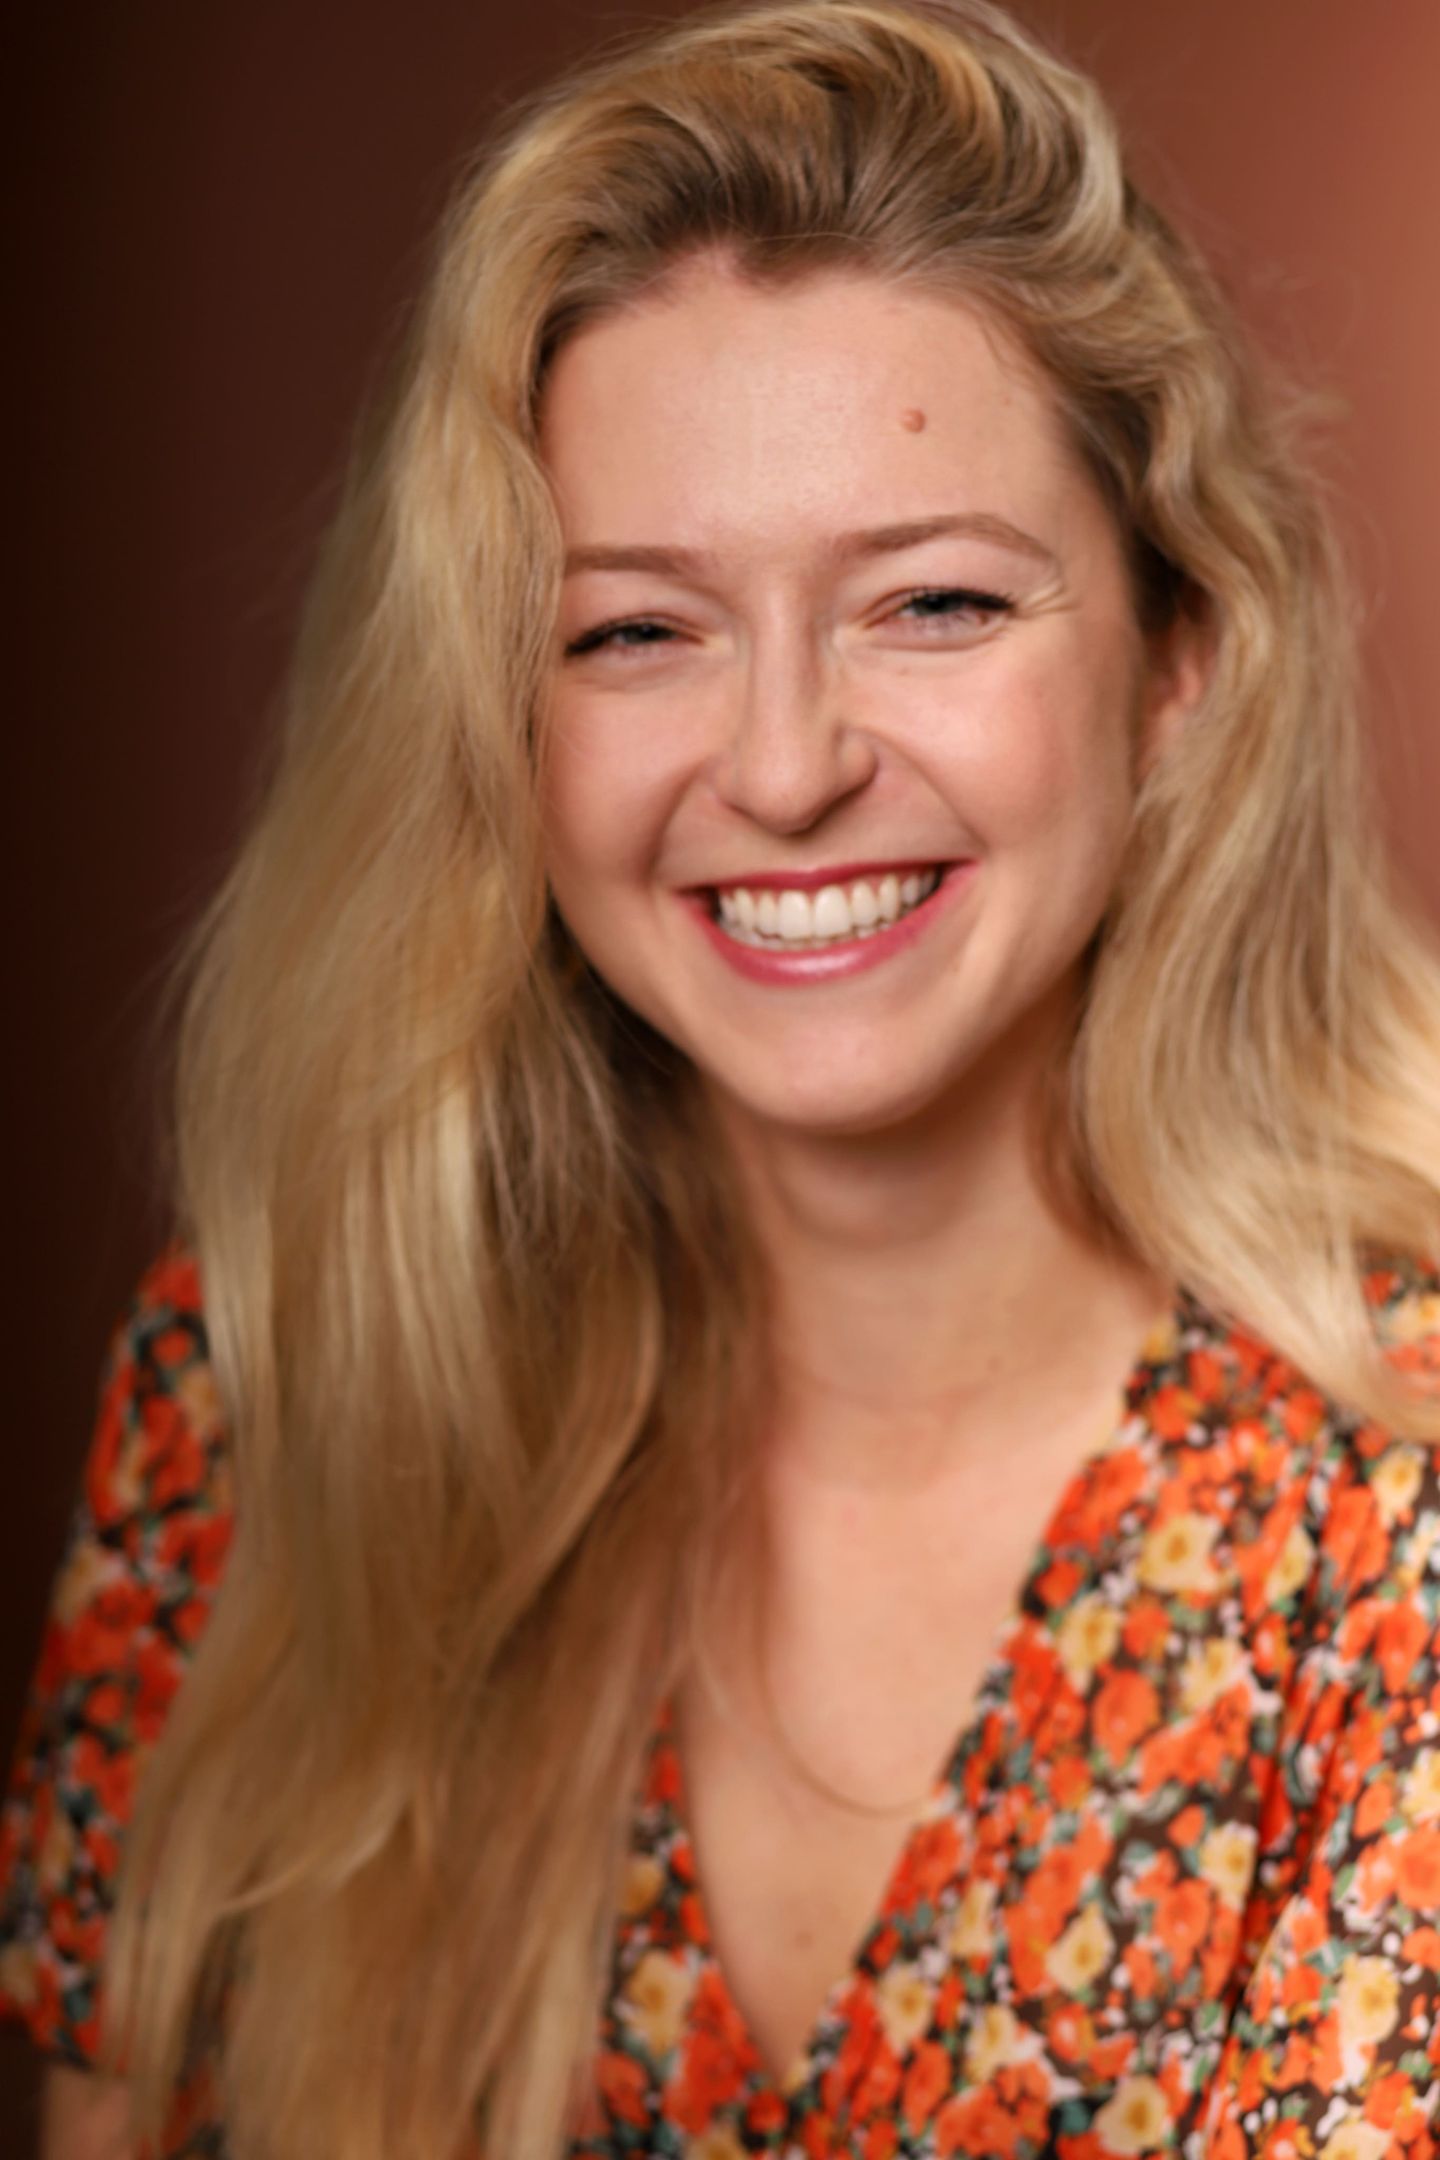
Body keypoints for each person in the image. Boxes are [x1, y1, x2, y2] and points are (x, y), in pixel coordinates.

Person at [4, 0, 1440, 2153]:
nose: (781, 769)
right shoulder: (277, 1405)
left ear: (1178, 664)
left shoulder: (1396, 1516)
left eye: (932, 604)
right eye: (635, 631)